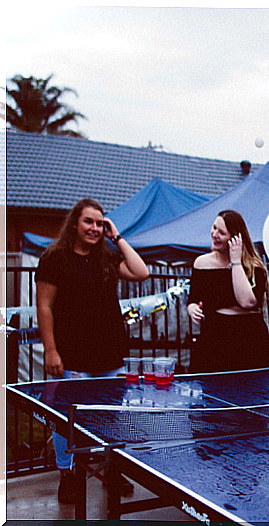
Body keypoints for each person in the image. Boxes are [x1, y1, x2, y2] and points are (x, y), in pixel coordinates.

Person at [36, 197, 150, 504]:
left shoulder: (108, 257)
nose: (95, 228)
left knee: (110, 416)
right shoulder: (54, 258)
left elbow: (142, 273)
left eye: (100, 223)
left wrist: (118, 237)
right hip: (71, 354)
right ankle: (67, 475)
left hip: (109, 353)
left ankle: (113, 470)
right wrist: (51, 350)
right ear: (75, 223)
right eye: (89, 221)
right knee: (67, 420)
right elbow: (44, 307)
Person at [186, 209, 269, 372]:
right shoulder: (201, 263)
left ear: (235, 238)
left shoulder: (254, 266)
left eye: (221, 232)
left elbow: (247, 302)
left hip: (248, 338)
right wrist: (193, 310)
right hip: (215, 336)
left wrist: (235, 262)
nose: (214, 234)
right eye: (214, 228)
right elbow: (192, 299)